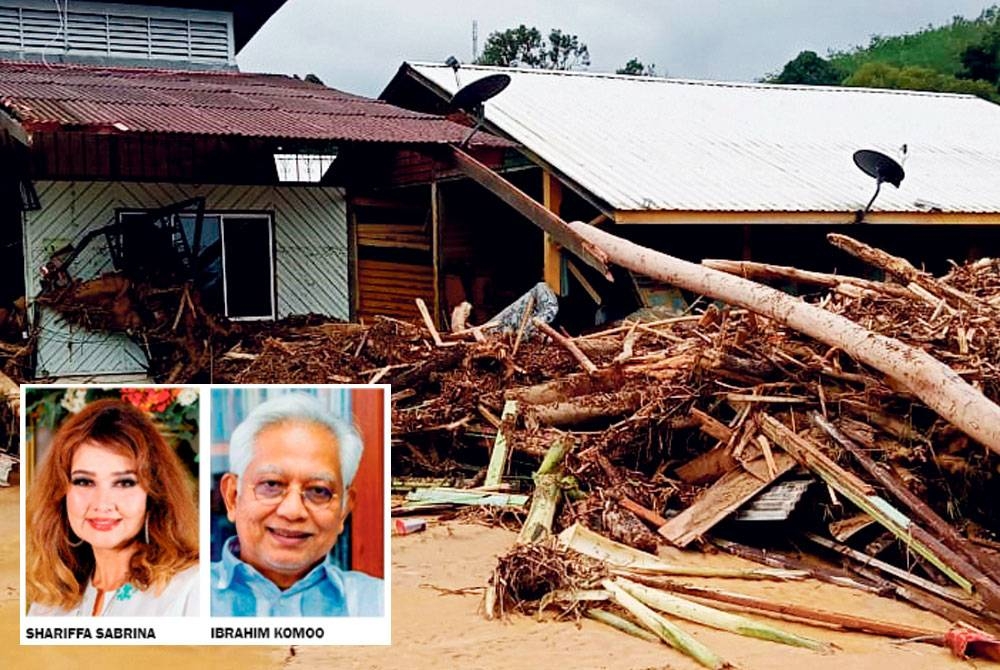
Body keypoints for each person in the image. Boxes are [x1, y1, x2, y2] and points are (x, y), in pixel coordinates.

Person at [212, 393, 384, 617]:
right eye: (272, 484)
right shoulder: (188, 598)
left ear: (343, 510)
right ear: (233, 497)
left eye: (318, 491)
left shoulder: (377, 603)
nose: (293, 511)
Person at [27, 398, 199, 616]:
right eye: (84, 481)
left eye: (124, 483)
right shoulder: (48, 603)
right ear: (61, 493)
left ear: (154, 494)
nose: (102, 503)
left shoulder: (191, 589)